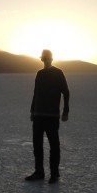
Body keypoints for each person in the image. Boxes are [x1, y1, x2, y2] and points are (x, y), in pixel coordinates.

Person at [25, 49, 70, 184]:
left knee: (54, 145)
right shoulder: (39, 74)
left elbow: (66, 92)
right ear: (42, 59)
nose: (45, 60)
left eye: (47, 58)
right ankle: (39, 172)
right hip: (38, 115)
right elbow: (36, 93)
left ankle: (54, 174)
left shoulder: (58, 73)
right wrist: (32, 111)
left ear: (51, 59)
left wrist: (66, 111)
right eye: (44, 58)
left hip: (52, 116)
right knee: (37, 145)